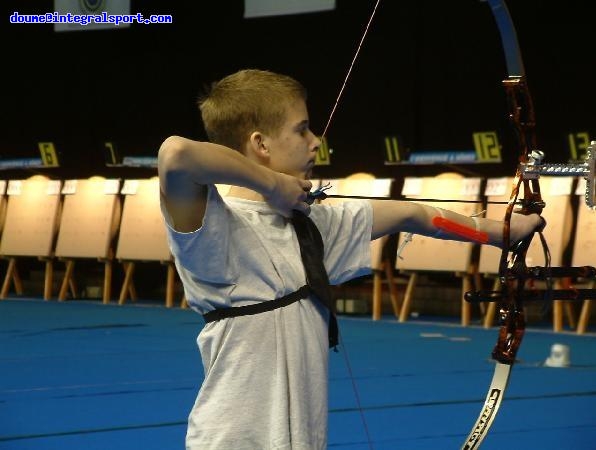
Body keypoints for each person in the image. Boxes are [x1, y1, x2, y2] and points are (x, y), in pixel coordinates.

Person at [157, 68, 542, 450]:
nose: (315, 140)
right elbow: (176, 154)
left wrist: (506, 233)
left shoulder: (312, 226)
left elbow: (417, 215)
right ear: (261, 143)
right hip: (232, 439)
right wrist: (271, 183)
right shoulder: (213, 225)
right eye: (301, 129)